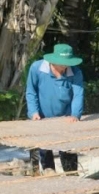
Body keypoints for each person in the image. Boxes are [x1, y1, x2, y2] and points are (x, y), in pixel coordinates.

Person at [26, 43, 85, 174]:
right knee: (44, 150)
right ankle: (48, 176)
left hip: (66, 118)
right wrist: (33, 112)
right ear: (53, 61)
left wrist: (75, 114)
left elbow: (78, 94)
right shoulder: (37, 68)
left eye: (67, 64)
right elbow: (31, 91)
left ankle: (71, 177)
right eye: (62, 64)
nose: (65, 67)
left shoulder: (75, 72)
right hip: (42, 118)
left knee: (68, 150)